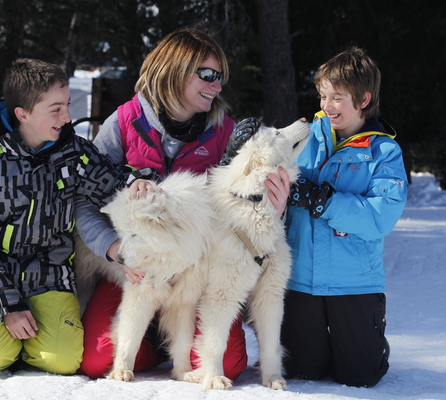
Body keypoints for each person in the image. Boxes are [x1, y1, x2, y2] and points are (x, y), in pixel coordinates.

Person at [76, 26, 291, 380]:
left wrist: (275, 208)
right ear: (174, 70)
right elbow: (85, 198)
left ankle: (169, 339)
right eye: (207, 74)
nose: (217, 85)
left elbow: (246, 207)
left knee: (227, 365)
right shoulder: (125, 122)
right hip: (137, 270)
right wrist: (114, 249)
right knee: (99, 360)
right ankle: (155, 338)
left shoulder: (226, 133)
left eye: (220, 77)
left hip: (199, 273)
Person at [0, 58, 156, 375]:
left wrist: (136, 183)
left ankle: (28, 341)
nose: (68, 117)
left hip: (49, 273)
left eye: (68, 105)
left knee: (62, 360)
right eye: (56, 109)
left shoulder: (75, 153)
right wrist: (9, 307)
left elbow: (109, 180)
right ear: (23, 114)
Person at [281, 47, 408, 387]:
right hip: (301, 280)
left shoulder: (383, 151)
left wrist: (325, 202)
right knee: (302, 371)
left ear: (364, 99)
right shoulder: (306, 138)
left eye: (337, 98)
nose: (326, 105)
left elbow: (381, 216)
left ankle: (370, 346)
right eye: (323, 96)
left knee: (360, 377)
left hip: (354, 282)